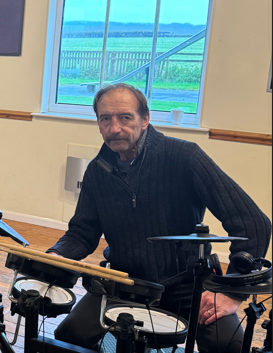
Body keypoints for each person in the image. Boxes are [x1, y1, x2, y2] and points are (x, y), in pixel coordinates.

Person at [47, 83, 271, 353]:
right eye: (105, 118)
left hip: (188, 286)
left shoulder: (184, 156)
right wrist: (57, 255)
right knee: (66, 338)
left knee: (229, 347)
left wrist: (232, 293)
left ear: (145, 120)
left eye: (125, 117)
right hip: (125, 282)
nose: (114, 127)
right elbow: (82, 232)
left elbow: (253, 222)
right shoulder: (97, 171)